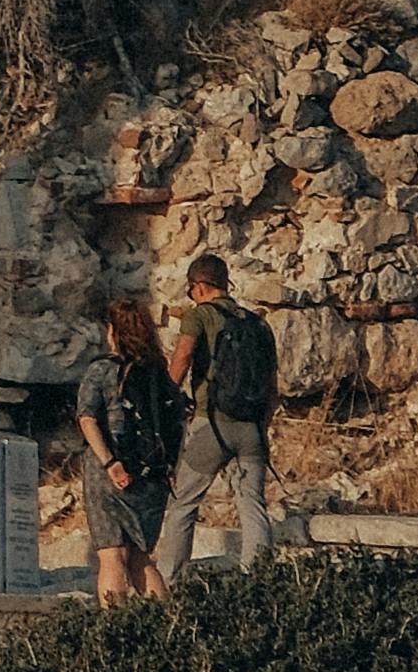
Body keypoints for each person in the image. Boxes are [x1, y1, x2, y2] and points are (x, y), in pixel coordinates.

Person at [171, 256, 281, 578]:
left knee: (183, 505)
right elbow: (273, 388)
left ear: (199, 286)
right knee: (252, 504)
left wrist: (163, 397)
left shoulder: (199, 316)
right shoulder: (259, 324)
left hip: (211, 424)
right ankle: (257, 582)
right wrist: (262, 425)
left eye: (191, 290)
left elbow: (183, 358)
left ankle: (168, 584)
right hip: (252, 428)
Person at [80, 297, 185, 601]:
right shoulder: (159, 374)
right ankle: (163, 626)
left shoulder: (101, 370)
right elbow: (178, 421)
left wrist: (110, 462)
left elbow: (87, 419)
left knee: (112, 557)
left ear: (112, 331)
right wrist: (170, 469)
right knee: (141, 558)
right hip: (152, 478)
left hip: (109, 475)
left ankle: (114, 634)